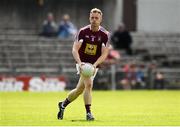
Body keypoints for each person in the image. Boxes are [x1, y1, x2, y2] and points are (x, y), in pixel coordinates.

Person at [57, 8, 110, 121]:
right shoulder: (83, 31)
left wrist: (95, 65)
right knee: (89, 85)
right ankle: (89, 113)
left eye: (96, 18)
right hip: (82, 63)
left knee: (79, 90)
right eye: (92, 18)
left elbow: (104, 54)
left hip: (94, 64)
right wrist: (80, 63)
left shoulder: (105, 34)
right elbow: (75, 49)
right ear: (89, 18)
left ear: (101, 19)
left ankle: (63, 104)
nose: (94, 20)